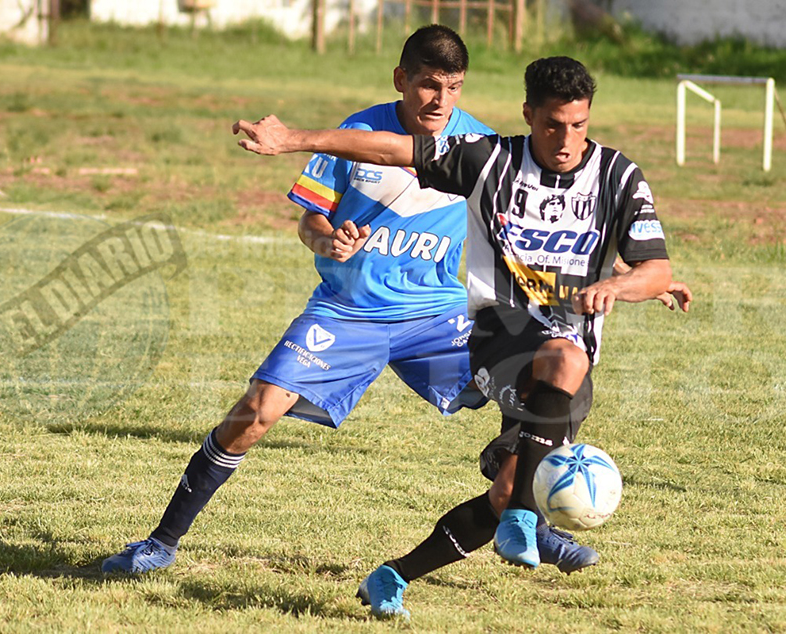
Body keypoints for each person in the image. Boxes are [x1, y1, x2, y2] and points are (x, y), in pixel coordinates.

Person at [101, 27, 606, 576]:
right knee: (254, 412)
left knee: (551, 375)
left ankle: (530, 513)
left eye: (454, 87)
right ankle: (162, 542)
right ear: (401, 80)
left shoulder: (480, 148)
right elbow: (309, 218)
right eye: (428, 85)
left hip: (437, 314)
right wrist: (327, 239)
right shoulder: (358, 133)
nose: (440, 101)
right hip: (348, 312)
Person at [232, 56, 683, 618]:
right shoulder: (490, 158)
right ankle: (526, 516)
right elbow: (390, 150)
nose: (565, 139)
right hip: (503, 331)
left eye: (578, 125)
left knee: (505, 490)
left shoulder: (618, 176)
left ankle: (394, 574)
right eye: (551, 125)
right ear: (528, 115)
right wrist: (292, 138)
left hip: (569, 351)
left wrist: (627, 285)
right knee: (562, 360)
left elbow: (655, 267)